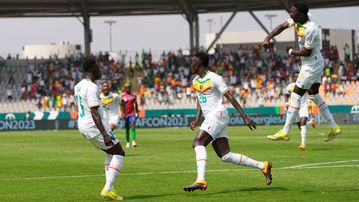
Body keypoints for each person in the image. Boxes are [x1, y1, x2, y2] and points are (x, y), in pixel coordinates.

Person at [183, 52, 272, 192]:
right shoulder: (195, 81)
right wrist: (197, 118)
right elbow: (199, 99)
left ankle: (200, 180)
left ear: (199, 63)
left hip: (218, 114)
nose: (190, 64)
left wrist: (244, 116)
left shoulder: (215, 78)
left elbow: (229, 96)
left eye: (193, 62)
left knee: (198, 143)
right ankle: (263, 166)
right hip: (211, 117)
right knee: (225, 155)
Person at [262, 3, 341, 142]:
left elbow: (306, 51)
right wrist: (267, 38)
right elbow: (281, 27)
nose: (290, 14)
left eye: (293, 12)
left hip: (312, 64)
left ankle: (285, 131)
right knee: (314, 94)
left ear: (301, 15)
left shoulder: (311, 29)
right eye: (291, 11)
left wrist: (290, 51)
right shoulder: (298, 19)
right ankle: (333, 127)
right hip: (313, 62)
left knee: (296, 94)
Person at [74, 59, 125, 200]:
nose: (99, 70)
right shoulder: (92, 87)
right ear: (92, 69)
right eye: (97, 67)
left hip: (82, 124)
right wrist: (104, 134)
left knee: (110, 152)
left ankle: (110, 188)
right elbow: (94, 112)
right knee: (119, 152)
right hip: (93, 125)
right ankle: (108, 189)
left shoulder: (78, 86)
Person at [274, 79, 317, 151]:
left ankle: (303, 144)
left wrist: (310, 100)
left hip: (303, 107)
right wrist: (287, 102)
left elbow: (312, 94)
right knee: (300, 126)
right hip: (294, 107)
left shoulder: (305, 85)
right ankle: (311, 122)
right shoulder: (290, 86)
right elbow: (287, 94)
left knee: (302, 125)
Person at [120, 83, 139, 148]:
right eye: (126, 87)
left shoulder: (133, 95)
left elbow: (136, 104)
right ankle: (128, 142)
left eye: (129, 87)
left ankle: (133, 141)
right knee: (127, 128)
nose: (128, 88)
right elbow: (121, 105)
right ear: (124, 88)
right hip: (126, 114)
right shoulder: (122, 95)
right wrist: (122, 113)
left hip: (132, 113)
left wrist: (137, 112)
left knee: (133, 124)